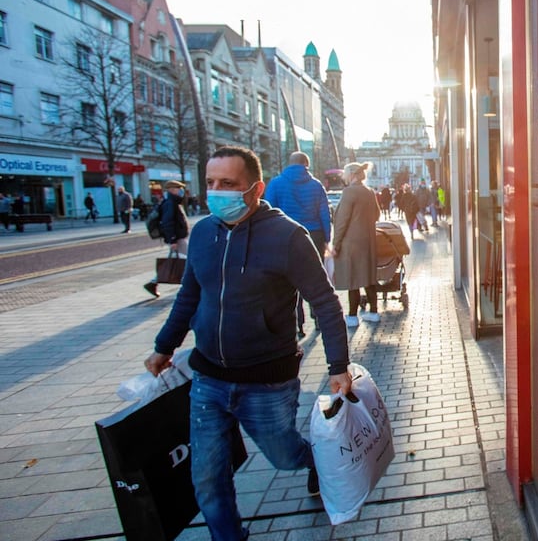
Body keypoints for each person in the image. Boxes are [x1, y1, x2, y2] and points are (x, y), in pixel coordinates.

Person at [144, 146, 352, 541]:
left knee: (284, 454)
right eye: (210, 183)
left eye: (227, 184)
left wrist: (338, 366)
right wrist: (164, 346)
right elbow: (189, 296)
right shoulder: (204, 233)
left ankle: (315, 461)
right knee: (207, 476)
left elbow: (325, 302)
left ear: (255, 189)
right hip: (208, 379)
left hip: (267, 381)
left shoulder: (289, 237)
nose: (216, 192)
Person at [263, 151, 333, 337]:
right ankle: (318, 318)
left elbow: (268, 211)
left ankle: (297, 323)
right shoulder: (316, 185)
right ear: (306, 165)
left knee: (288, 280)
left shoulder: (276, 183)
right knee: (316, 277)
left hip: (285, 235)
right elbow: (324, 214)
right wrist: (327, 238)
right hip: (314, 235)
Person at [332, 162, 381, 327]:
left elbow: (342, 221)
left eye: (345, 174)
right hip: (368, 240)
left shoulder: (349, 192)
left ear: (351, 175)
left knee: (352, 278)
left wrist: (336, 244)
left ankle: (352, 316)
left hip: (351, 242)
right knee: (368, 277)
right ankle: (374, 312)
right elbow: (377, 214)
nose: (343, 177)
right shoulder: (369, 192)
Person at [143, 180, 190, 298]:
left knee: (176, 260)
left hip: (177, 238)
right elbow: (168, 222)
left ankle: (153, 283)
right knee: (191, 260)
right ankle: (192, 285)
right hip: (177, 238)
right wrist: (172, 240)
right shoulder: (170, 203)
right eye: (179, 188)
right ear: (171, 189)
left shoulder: (173, 202)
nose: (181, 190)